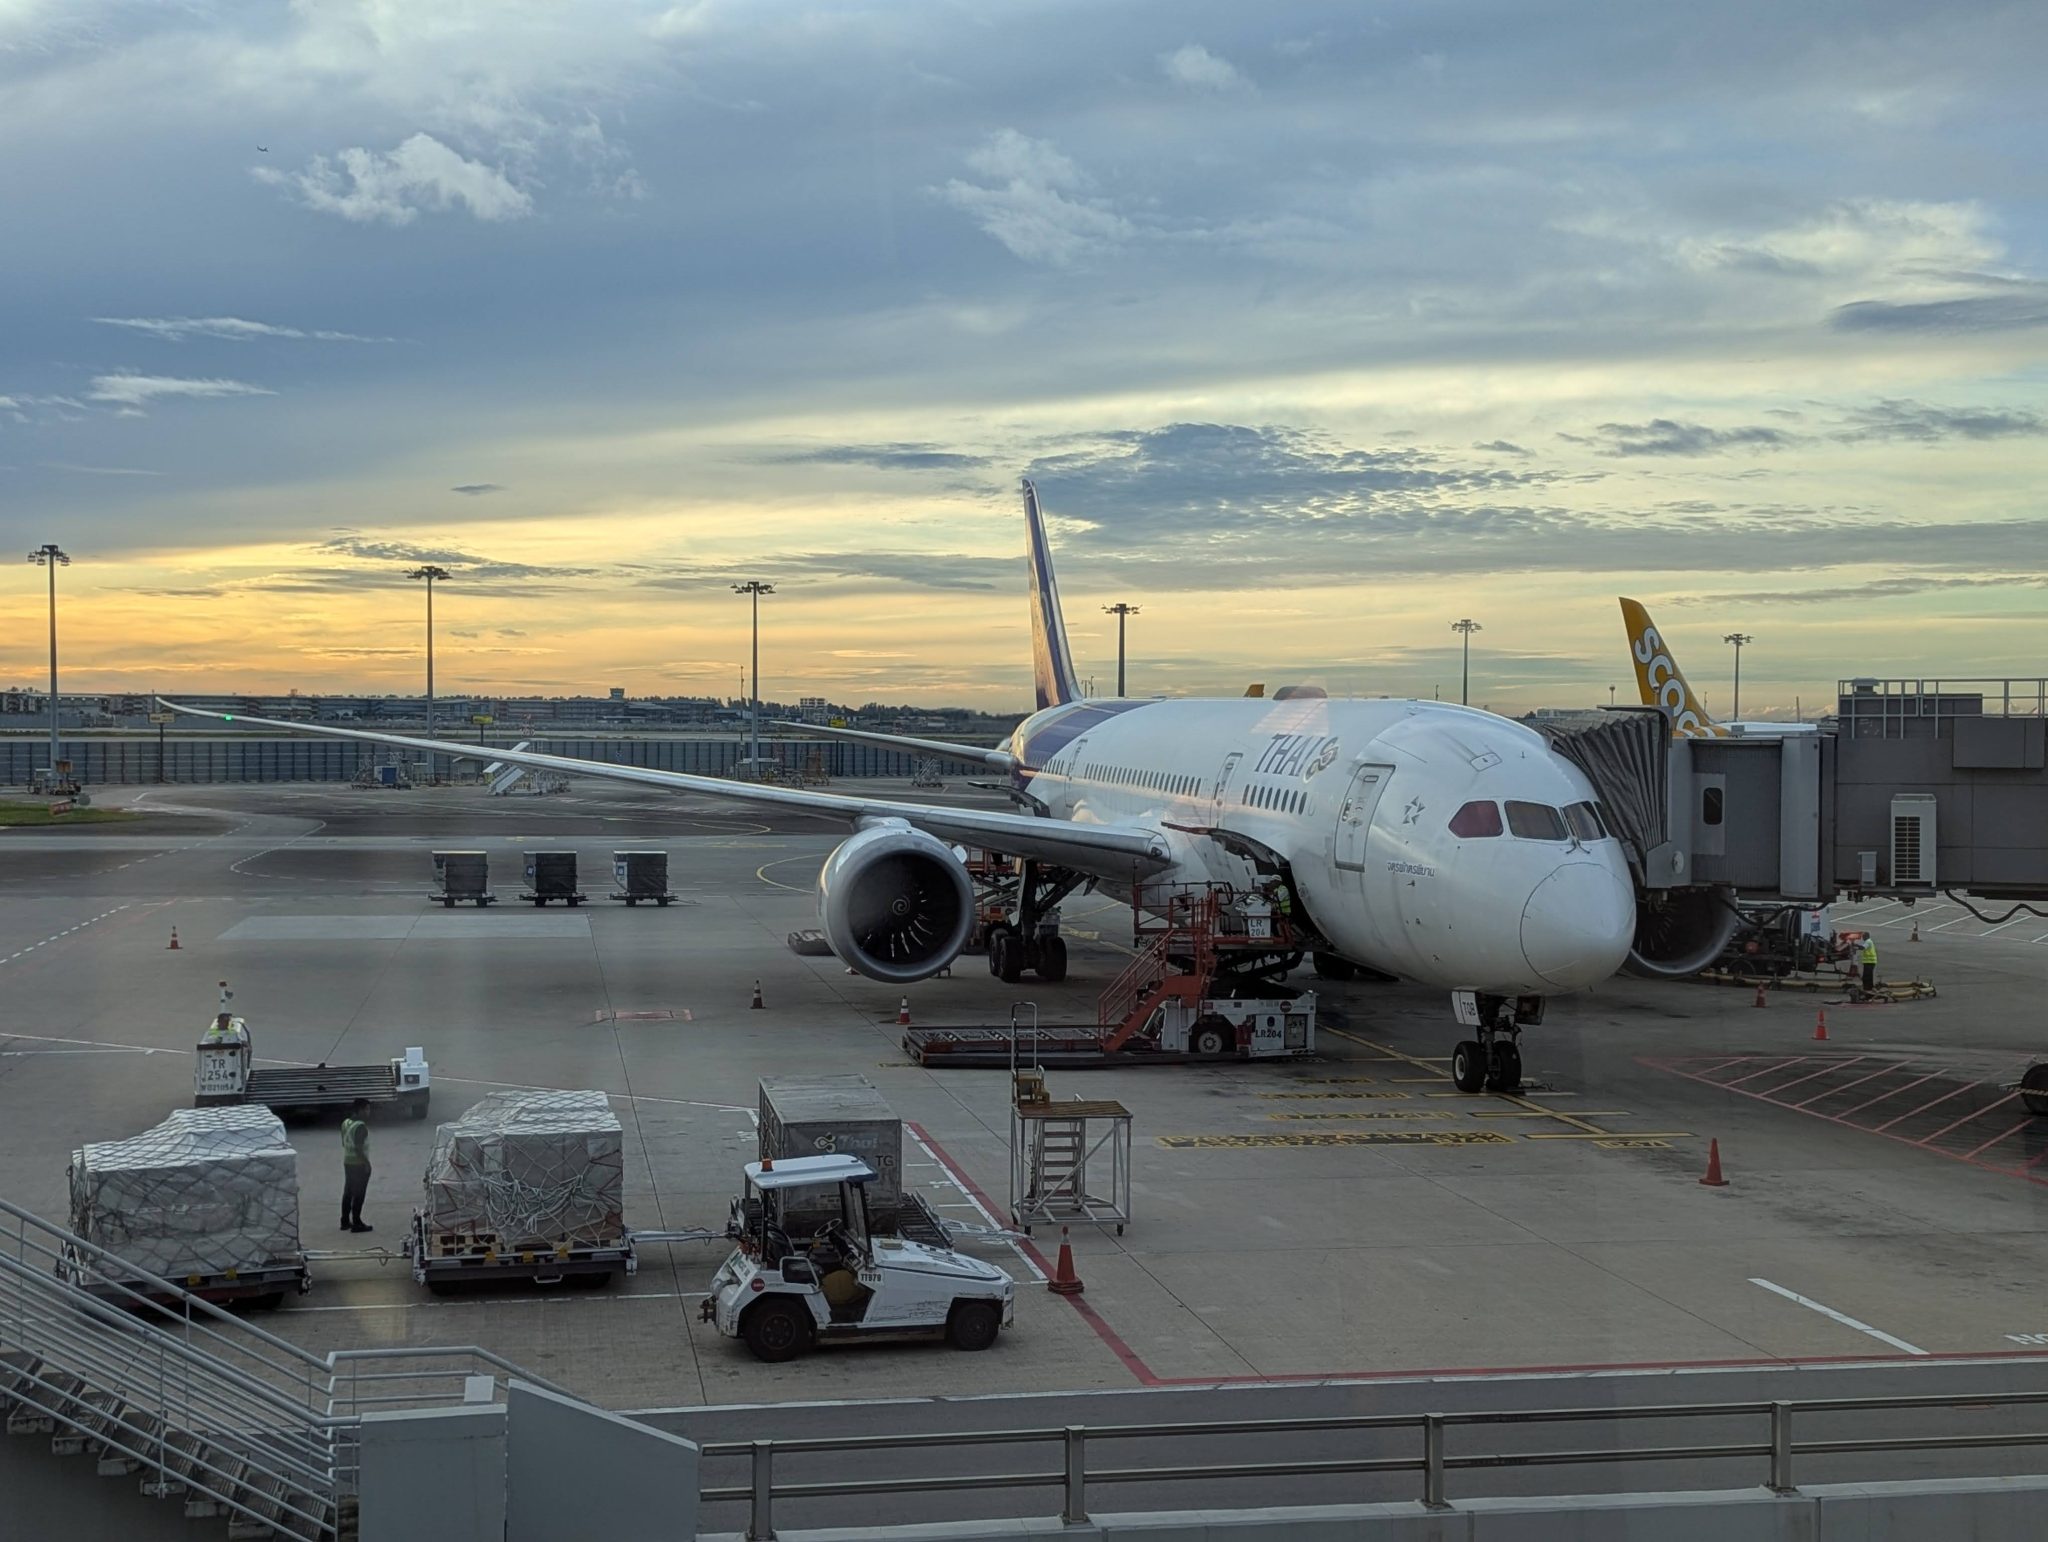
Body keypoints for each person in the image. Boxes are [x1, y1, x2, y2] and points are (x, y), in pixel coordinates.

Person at [341, 1099, 372, 1233]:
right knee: (359, 1194)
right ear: (360, 1110)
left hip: (347, 1161)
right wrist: (366, 1163)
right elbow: (359, 1148)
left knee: (348, 1192)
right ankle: (357, 1222)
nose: (368, 1112)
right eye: (367, 1109)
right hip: (358, 1164)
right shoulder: (360, 1127)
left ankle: (345, 1221)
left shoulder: (345, 1123)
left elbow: (344, 1142)